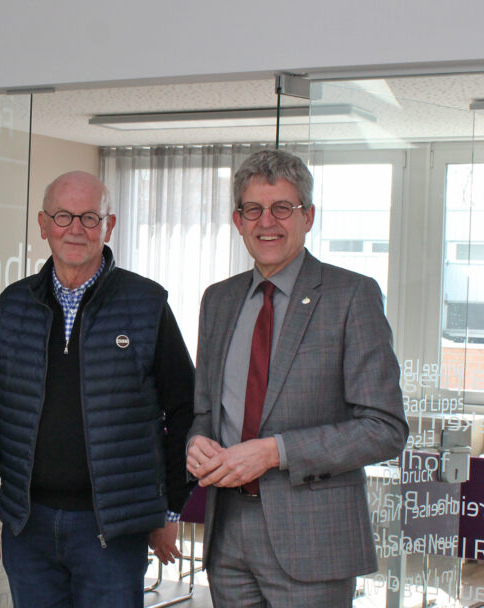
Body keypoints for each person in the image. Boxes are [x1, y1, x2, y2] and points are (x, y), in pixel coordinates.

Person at [0, 171, 195, 607]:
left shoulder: (147, 305)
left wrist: (168, 508)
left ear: (109, 226)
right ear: (43, 224)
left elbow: (185, 410)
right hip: (26, 526)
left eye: (90, 217)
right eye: (63, 216)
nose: (75, 228)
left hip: (112, 531)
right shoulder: (14, 305)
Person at [187, 149, 408, 606]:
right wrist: (197, 442)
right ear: (238, 220)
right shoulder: (219, 300)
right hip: (227, 534)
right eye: (254, 210)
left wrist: (275, 452)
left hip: (313, 540)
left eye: (282, 208)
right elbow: (206, 412)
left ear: (308, 217)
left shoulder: (352, 296)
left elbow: (384, 430)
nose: (267, 222)